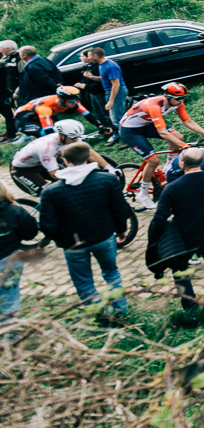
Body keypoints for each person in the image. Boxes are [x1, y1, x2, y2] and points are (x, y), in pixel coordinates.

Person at [38, 142, 129, 314]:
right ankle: (121, 309)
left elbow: (47, 224)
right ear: (88, 158)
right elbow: (120, 209)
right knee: (111, 273)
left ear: (65, 161)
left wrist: (61, 240)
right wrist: (121, 230)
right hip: (104, 236)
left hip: (73, 243)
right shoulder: (108, 180)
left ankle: (98, 314)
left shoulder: (50, 191)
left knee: (83, 281)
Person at [149, 147, 204, 311]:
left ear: (182, 164)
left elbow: (159, 219)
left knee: (180, 273)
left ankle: (191, 309)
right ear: (201, 161)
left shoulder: (172, 188)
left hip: (184, 238)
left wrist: (156, 240)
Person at [119, 82, 204, 209]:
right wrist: (184, 146)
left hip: (146, 124)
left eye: (183, 98)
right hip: (130, 130)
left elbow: (188, 121)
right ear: (167, 96)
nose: (180, 101)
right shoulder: (154, 105)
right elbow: (162, 132)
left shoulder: (177, 103)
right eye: (178, 98)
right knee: (153, 160)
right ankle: (143, 193)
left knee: (178, 137)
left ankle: (168, 166)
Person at [9, 119, 100, 194]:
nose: (76, 140)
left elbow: (92, 154)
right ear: (61, 135)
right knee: (47, 193)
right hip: (22, 170)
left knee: (68, 183)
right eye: (73, 138)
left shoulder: (70, 137)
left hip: (41, 164)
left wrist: (107, 167)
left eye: (78, 137)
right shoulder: (46, 147)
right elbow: (54, 173)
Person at [0, 179, 39, 326]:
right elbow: (30, 234)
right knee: (9, 299)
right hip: (9, 260)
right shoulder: (15, 211)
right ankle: (10, 335)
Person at [14, 84, 104, 141]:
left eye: (76, 99)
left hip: (38, 115)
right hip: (23, 118)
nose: (75, 102)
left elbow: (87, 115)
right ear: (62, 100)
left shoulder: (71, 101)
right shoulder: (45, 108)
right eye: (72, 100)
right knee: (48, 136)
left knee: (60, 132)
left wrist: (100, 126)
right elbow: (49, 132)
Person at [92, 47, 126, 145]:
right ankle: (118, 135)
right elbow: (104, 78)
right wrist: (92, 77)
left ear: (95, 56)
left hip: (117, 91)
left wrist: (111, 101)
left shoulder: (110, 66)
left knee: (117, 117)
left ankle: (128, 138)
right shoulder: (101, 65)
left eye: (90, 56)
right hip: (109, 91)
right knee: (113, 117)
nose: (89, 58)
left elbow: (116, 84)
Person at [78, 49, 114, 135]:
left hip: (99, 92)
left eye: (82, 56)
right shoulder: (86, 66)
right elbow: (86, 79)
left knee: (105, 112)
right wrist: (82, 82)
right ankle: (104, 129)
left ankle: (112, 129)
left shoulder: (97, 66)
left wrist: (85, 86)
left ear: (88, 57)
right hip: (92, 93)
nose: (80, 58)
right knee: (97, 112)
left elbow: (100, 83)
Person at [0, 41, 19, 142]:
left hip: (3, 91)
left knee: (7, 113)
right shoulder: (4, 62)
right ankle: (12, 130)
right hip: (4, 90)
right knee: (7, 112)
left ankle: (12, 133)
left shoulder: (4, 63)